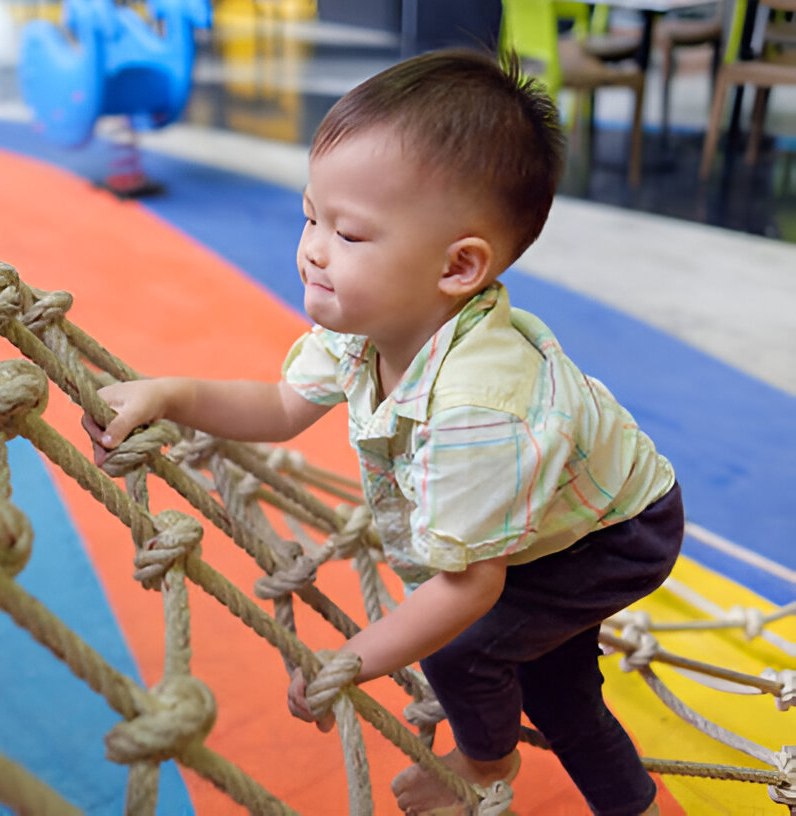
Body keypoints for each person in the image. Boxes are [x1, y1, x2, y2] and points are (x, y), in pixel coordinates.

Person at [82, 48, 681, 816]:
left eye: (351, 235)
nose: (314, 249)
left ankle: (481, 768)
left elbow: (469, 587)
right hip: (552, 516)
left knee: (466, 653)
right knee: (559, 693)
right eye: (310, 216)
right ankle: (636, 805)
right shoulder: (375, 320)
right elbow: (279, 407)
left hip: (610, 536)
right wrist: (170, 394)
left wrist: (349, 660)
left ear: (459, 268)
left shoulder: (477, 412)